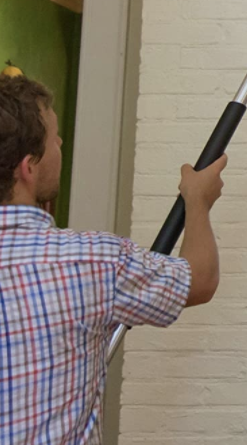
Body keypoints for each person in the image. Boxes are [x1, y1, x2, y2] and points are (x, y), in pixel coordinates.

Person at [0, 74, 227, 444]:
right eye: (53, 137)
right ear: (28, 167)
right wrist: (197, 202)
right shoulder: (90, 263)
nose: (59, 142)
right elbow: (199, 278)